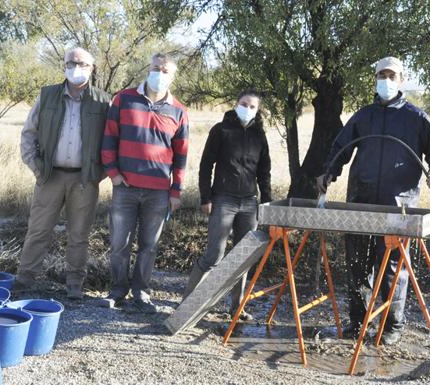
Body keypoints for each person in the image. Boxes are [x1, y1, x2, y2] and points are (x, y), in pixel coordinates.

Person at [317, 56, 430, 344]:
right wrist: (329, 172)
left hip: (397, 207)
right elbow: (341, 147)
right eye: (382, 76)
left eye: (392, 76)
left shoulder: (416, 118)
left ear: (401, 80)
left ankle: (392, 327)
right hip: (360, 201)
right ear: (375, 80)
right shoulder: (363, 116)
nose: (386, 81)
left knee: (392, 269)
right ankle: (358, 322)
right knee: (357, 266)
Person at [17, 48, 111, 299]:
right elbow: (28, 134)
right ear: (64, 66)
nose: (75, 67)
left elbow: (111, 141)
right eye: (70, 62)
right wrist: (36, 168)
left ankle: (74, 285)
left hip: (85, 180)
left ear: (92, 69)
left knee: (79, 235)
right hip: (49, 176)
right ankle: (25, 280)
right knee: (38, 230)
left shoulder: (103, 101)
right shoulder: (47, 96)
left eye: (81, 63)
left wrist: (97, 175)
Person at [101, 53, 189, 312]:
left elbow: (181, 155)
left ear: (172, 76)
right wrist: (113, 174)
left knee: (149, 246)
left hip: (159, 192)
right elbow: (108, 139)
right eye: (155, 68)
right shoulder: (124, 99)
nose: (159, 74)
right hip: (125, 188)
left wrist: (177, 190)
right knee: (119, 243)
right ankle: (117, 290)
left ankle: (141, 292)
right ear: (148, 68)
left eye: (165, 70)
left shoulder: (179, 110)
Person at [183, 89, 271, 320]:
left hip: (249, 203)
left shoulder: (259, 135)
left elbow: (264, 172)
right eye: (244, 104)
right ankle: (187, 303)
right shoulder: (220, 130)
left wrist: (267, 202)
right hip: (223, 199)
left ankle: (237, 307)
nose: (248, 109)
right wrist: (205, 197)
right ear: (236, 103)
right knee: (214, 254)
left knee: (243, 256)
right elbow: (205, 166)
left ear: (258, 110)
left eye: (253, 106)